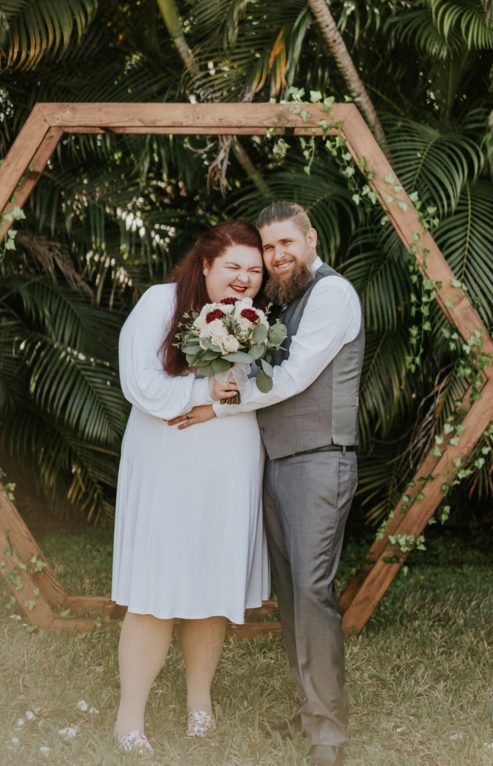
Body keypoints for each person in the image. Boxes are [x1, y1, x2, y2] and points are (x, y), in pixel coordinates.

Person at [175, 201, 364, 766]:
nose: (278, 256)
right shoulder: (285, 300)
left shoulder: (332, 294)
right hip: (280, 459)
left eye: (287, 244)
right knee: (291, 593)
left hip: (319, 460)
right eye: (270, 248)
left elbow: (296, 375)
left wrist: (222, 405)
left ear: (310, 238)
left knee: (311, 592)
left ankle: (328, 732)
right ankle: (312, 710)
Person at [112, 221, 270, 752]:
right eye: (233, 267)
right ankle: (129, 718)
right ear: (205, 265)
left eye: (254, 270)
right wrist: (203, 391)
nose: (244, 280)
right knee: (157, 589)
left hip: (230, 459)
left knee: (211, 584)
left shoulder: (258, 322)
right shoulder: (160, 303)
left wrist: (220, 403)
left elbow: (261, 393)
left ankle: (199, 706)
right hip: (167, 458)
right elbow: (139, 382)